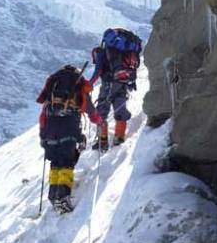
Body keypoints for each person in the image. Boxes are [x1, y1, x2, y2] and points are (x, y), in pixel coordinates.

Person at [37, 64, 104, 213]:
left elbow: (43, 112)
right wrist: (99, 121)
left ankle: (53, 195)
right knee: (67, 161)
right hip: (69, 126)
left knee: (55, 162)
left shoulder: (53, 86)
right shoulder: (78, 83)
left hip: (50, 128)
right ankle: (63, 197)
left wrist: (43, 134)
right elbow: (90, 110)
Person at [89, 28, 142, 151]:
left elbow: (98, 71)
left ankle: (102, 141)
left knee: (102, 110)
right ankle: (119, 137)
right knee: (120, 107)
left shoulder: (104, 51)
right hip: (122, 82)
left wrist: (89, 84)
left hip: (108, 83)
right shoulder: (127, 51)